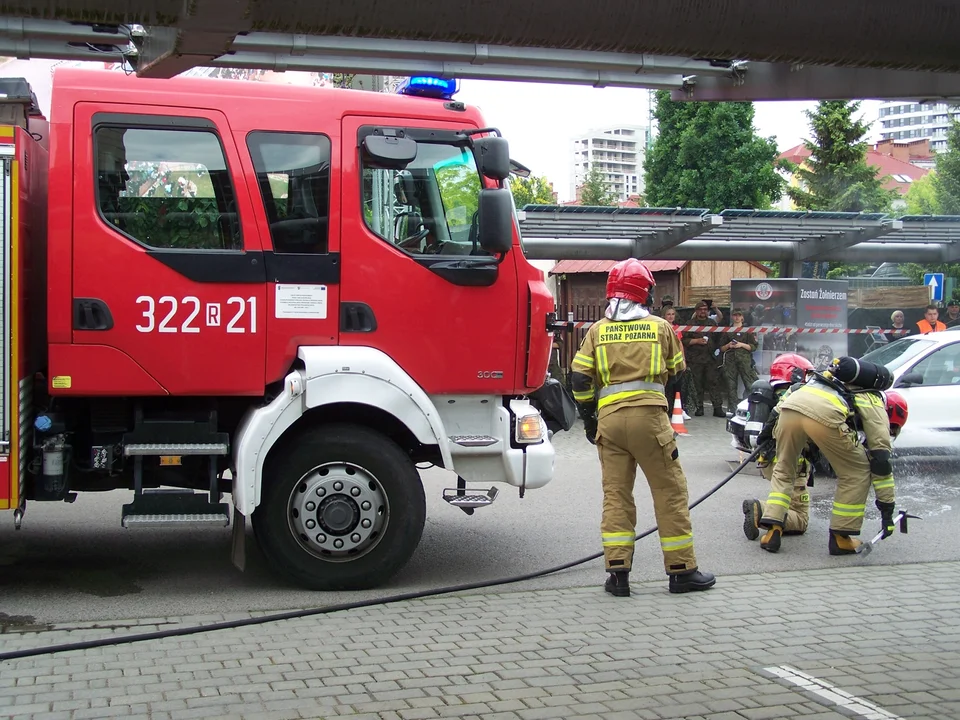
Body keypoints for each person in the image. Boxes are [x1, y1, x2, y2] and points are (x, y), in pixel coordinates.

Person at [571, 259, 716, 597]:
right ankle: (682, 572)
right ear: (645, 292)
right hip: (650, 421)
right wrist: (662, 408)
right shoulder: (659, 328)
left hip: (610, 423)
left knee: (616, 497)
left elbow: (579, 378)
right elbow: (678, 373)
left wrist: (591, 419)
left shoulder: (597, 331)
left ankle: (618, 576)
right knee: (669, 493)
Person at [755, 356, 900, 555]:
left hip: (789, 411)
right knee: (856, 472)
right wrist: (887, 509)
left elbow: (780, 406)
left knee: (785, 469)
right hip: (822, 416)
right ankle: (841, 538)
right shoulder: (874, 398)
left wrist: (765, 438)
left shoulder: (824, 380)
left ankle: (773, 531)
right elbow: (880, 457)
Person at [740, 353, 816, 544]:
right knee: (800, 518)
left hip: (768, 458)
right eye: (805, 374)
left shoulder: (771, 393)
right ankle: (761, 510)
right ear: (796, 373)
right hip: (791, 460)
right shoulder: (796, 394)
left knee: (782, 496)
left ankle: (768, 513)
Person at [682, 301, 725, 417]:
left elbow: (719, 339)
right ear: (696, 311)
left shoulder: (712, 323)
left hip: (710, 359)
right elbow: (683, 340)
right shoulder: (690, 324)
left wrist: (717, 351)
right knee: (697, 385)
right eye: (700, 309)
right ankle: (699, 407)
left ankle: (717, 408)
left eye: (705, 309)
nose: (703, 311)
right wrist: (696, 341)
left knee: (714, 383)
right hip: (695, 359)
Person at [718, 308, 759, 414]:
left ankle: (752, 408)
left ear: (742, 317)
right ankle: (733, 409)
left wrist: (741, 345)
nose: (737, 317)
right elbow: (721, 348)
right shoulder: (728, 331)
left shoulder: (748, 331)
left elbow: (754, 347)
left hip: (745, 361)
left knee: (749, 385)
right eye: (735, 315)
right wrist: (729, 345)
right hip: (730, 361)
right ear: (732, 317)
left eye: (739, 315)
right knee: (731, 387)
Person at [662, 306, 692, 420]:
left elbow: (680, 344)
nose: (670, 316)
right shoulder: (661, 327)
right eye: (668, 314)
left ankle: (679, 409)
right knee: (665, 386)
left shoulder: (677, 328)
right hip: (664, 360)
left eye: (672, 314)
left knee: (677, 386)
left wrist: (683, 360)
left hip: (676, 361)